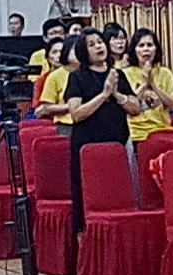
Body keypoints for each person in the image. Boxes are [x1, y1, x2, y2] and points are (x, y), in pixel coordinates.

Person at [50, 29, 127, 171]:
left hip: (118, 142)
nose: (98, 46)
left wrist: (116, 94)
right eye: (92, 44)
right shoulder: (77, 77)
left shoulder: (117, 74)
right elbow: (76, 114)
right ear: (83, 51)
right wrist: (104, 94)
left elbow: (135, 109)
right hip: (87, 144)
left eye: (100, 42)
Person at [119, 27, 173, 142]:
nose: (146, 49)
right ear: (134, 50)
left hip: (163, 131)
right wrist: (144, 84)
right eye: (141, 45)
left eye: (150, 45)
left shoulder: (165, 73)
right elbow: (126, 106)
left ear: (156, 49)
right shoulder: (125, 74)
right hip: (136, 134)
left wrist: (153, 85)